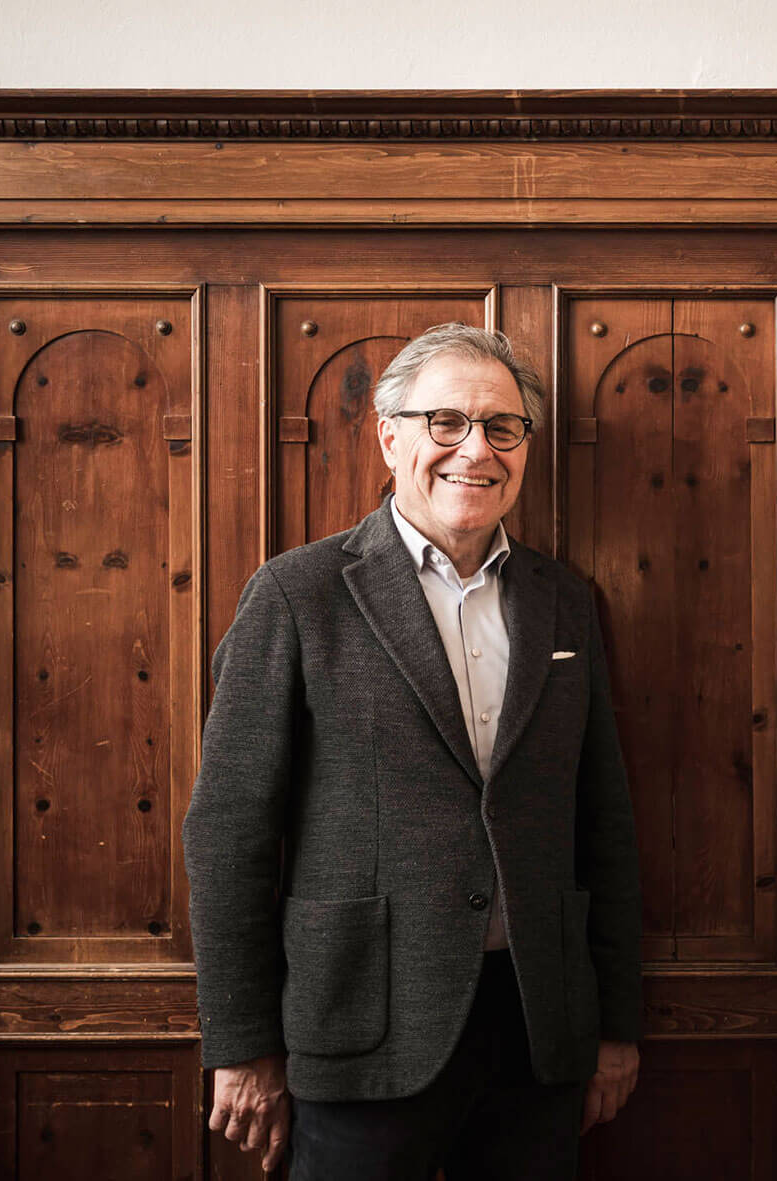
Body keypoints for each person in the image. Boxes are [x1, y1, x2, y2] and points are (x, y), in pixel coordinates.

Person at [183, 323, 642, 1180]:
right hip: (361, 1029)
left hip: (539, 1029)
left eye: (502, 427)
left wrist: (613, 1023)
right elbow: (230, 833)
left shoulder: (564, 602)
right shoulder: (298, 593)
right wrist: (241, 1043)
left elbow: (601, 820)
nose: (476, 449)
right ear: (390, 436)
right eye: (447, 422)